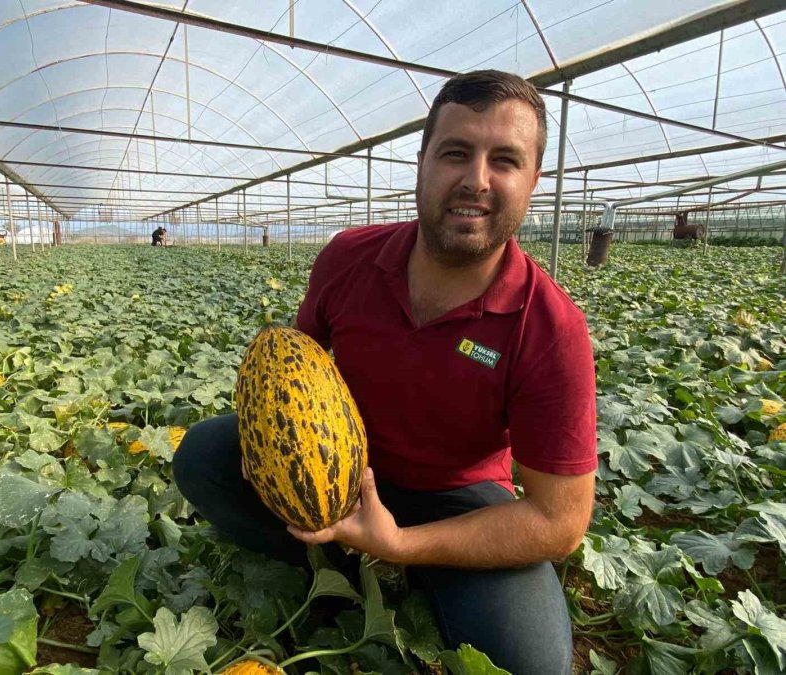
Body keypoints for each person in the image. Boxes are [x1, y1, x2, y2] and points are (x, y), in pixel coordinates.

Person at [173, 70, 597, 675]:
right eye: (456, 152)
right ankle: (339, 563)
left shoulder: (551, 327)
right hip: (344, 470)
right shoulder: (348, 257)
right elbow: (293, 369)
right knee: (206, 455)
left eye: (504, 159)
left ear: (533, 180)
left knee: (530, 664)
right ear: (422, 163)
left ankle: (405, 564)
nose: (476, 179)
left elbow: (559, 521)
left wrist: (402, 544)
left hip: (461, 502)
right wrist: (267, 441)